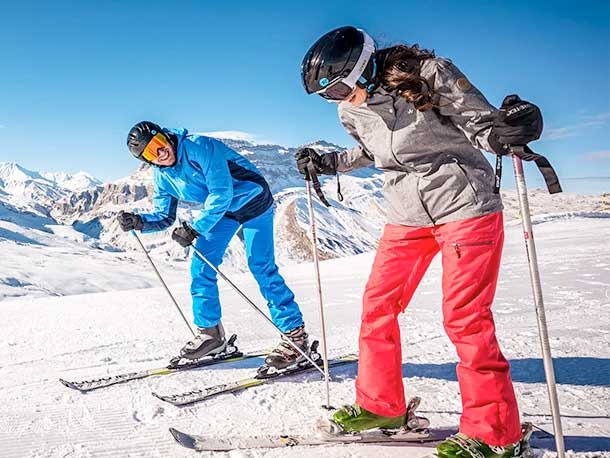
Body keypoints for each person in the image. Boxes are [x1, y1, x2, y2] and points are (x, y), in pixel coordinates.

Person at [298, 26, 544, 458]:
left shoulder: (431, 74)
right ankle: (382, 407)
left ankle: (495, 434)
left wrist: (510, 131)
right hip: (406, 215)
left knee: (465, 319)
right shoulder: (350, 110)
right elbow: (375, 152)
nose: (334, 100)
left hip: (464, 206)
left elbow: (481, 125)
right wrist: (330, 162)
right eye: (325, 96)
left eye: (336, 88)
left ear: (362, 67)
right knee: (377, 306)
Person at [118, 121, 309, 370]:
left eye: (159, 143)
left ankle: (295, 338)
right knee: (201, 267)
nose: (161, 152)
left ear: (165, 135)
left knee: (261, 267)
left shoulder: (199, 147)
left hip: (254, 202)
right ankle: (211, 336)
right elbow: (164, 216)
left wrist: (195, 228)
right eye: (151, 152)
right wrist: (140, 221)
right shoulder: (163, 176)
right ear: (147, 160)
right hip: (225, 213)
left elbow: (222, 192)